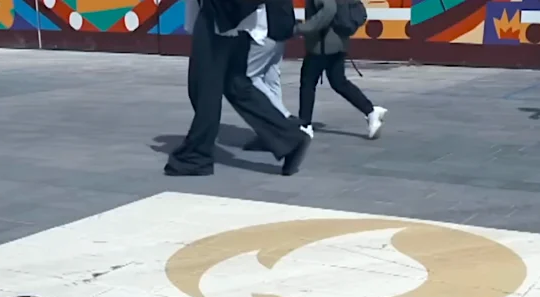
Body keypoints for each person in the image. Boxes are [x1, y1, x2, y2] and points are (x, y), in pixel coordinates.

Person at [164, 0, 312, 176]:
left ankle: (197, 153)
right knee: (236, 85)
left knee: (205, 87)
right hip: (243, 19)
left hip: (220, 18)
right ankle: (288, 136)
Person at [295, 0, 387, 138]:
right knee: (339, 82)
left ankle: (305, 125)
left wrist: (302, 28)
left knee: (308, 83)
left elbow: (328, 10)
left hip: (322, 45)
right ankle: (371, 111)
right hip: (338, 42)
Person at [243, 0, 306, 151]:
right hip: (280, 32)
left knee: (249, 79)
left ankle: (283, 118)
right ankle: (272, 133)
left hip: (265, 33)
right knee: (271, 78)